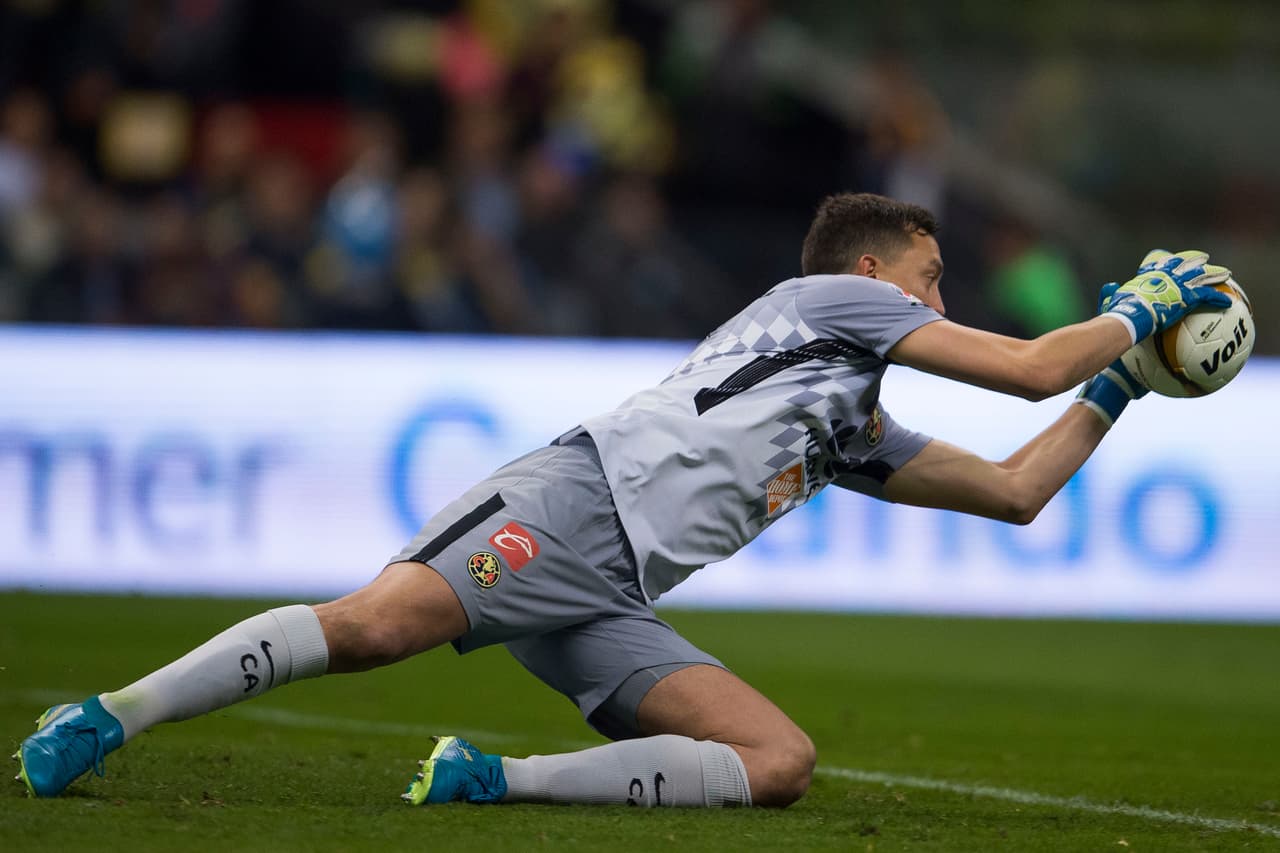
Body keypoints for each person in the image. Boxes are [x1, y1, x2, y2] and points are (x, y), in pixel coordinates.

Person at [15, 193, 1230, 808]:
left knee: (775, 763)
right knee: (374, 627)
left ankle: (496, 779)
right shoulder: (828, 306)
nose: (937, 290)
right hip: (572, 504)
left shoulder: (843, 420)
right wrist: (1136, 304)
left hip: (612, 593)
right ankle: (113, 713)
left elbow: (1016, 489)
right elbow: (1024, 368)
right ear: (871, 270)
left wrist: (1120, 384)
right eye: (929, 273)